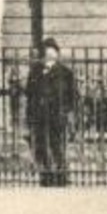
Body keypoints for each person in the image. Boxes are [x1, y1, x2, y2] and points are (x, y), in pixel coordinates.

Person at [27, 38, 78, 187]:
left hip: (58, 116)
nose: (49, 53)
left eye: (52, 50)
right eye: (46, 50)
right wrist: (30, 116)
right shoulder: (35, 71)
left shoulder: (65, 72)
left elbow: (73, 96)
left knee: (58, 146)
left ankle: (61, 177)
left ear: (57, 53)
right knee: (41, 146)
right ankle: (46, 177)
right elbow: (30, 95)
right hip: (40, 116)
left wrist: (68, 113)